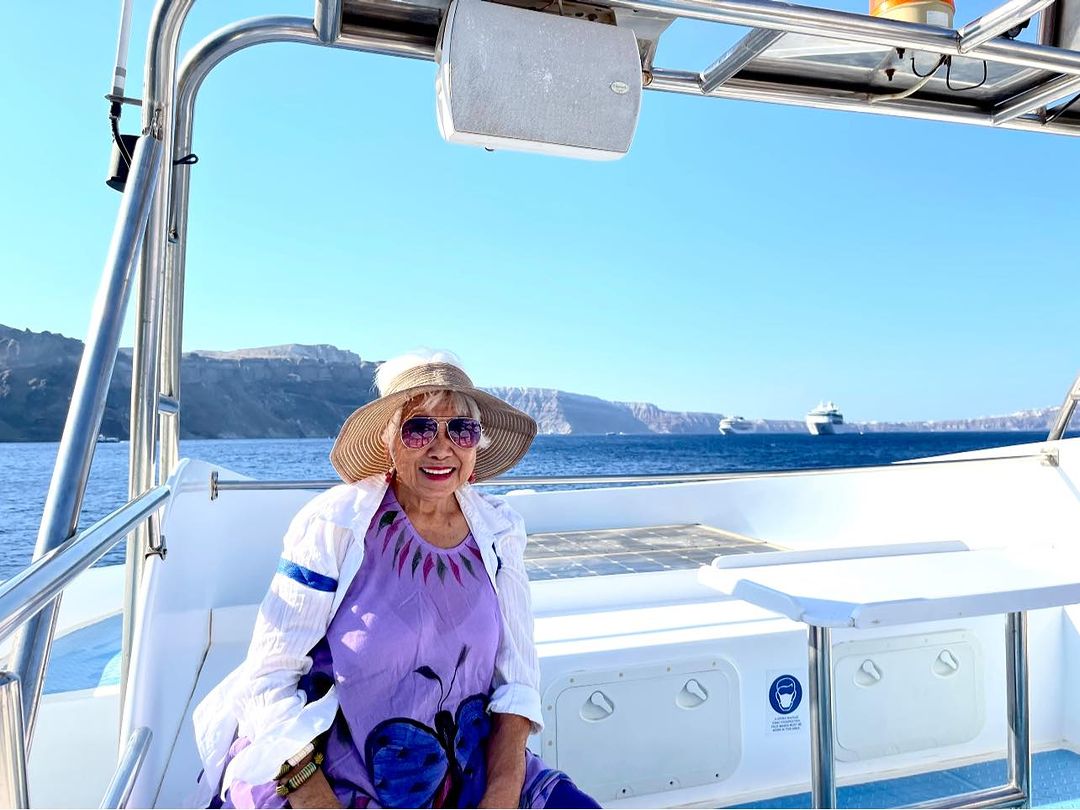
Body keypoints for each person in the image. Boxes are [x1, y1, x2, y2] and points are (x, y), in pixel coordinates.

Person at [193, 351, 599, 809]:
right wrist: (316, 800)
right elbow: (269, 676)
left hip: (467, 770)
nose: (442, 447)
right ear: (389, 440)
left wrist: (500, 796)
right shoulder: (336, 525)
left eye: (460, 430)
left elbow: (517, 682)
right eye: (419, 428)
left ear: (476, 444)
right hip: (326, 770)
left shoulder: (499, 531)